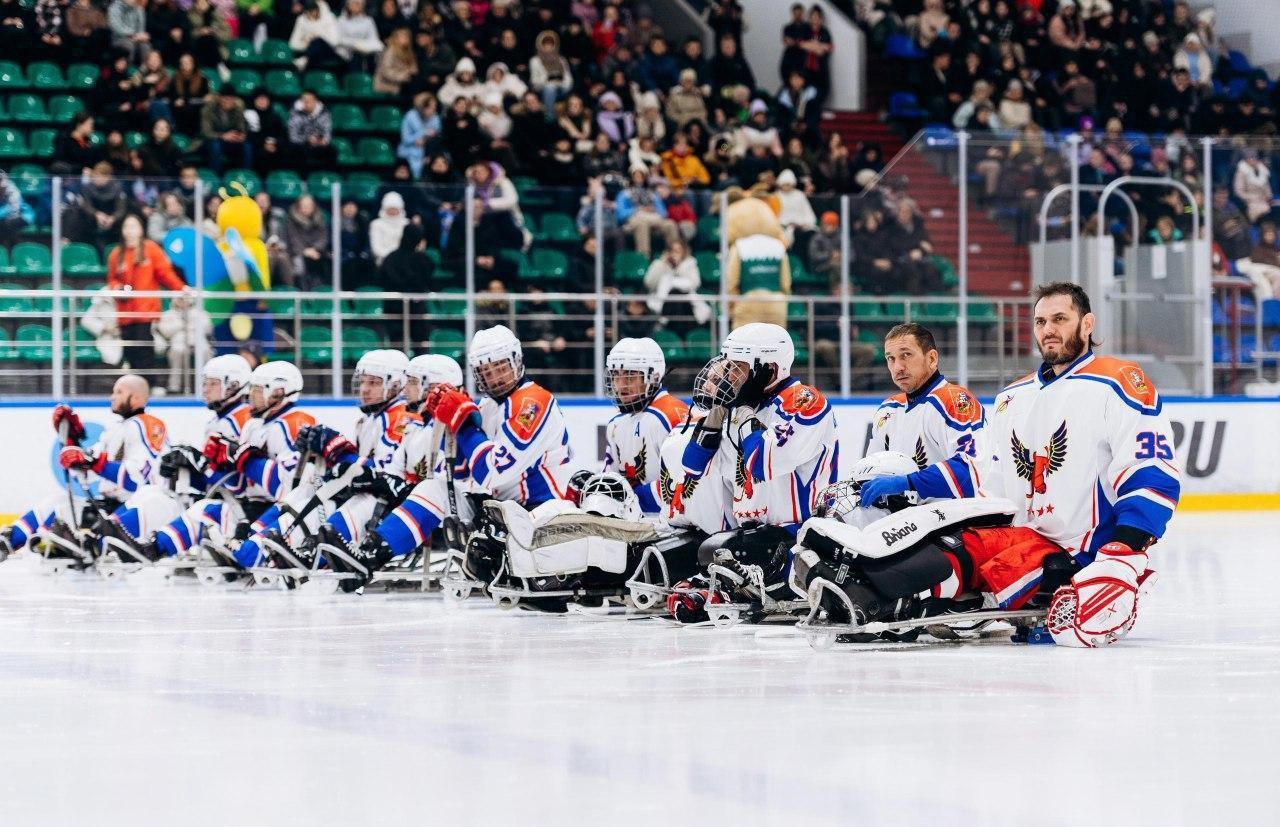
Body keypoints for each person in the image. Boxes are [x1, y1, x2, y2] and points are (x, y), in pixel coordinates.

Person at [855, 283, 1181, 647]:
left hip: (1083, 553)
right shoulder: (1013, 397)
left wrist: (1125, 549)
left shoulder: (1118, 382)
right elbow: (992, 486)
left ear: (1087, 324)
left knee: (1002, 570)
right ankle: (867, 599)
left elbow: (1151, 469)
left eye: (1060, 319)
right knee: (949, 549)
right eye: (1041, 321)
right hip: (1024, 537)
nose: (1049, 329)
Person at [326, 325, 574, 586]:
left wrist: (463, 425)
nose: (495, 378)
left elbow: (492, 474)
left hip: (538, 512)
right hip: (501, 511)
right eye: (486, 372)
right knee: (433, 489)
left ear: (517, 361)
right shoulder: (488, 406)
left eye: (501, 367)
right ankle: (368, 556)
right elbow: (462, 473)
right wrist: (446, 425)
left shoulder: (533, 402)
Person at [661, 323, 838, 617]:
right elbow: (690, 467)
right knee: (685, 567)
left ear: (769, 369)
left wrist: (745, 420)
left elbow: (762, 464)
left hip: (795, 538)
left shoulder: (804, 402)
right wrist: (713, 420)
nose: (729, 377)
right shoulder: (738, 405)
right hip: (748, 537)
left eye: (738, 368)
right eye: (728, 367)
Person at [233, 350, 412, 572]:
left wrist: (337, 450)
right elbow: (357, 469)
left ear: (396, 385)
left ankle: (292, 550)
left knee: (330, 498)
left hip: (390, 502)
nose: (364, 389)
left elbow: (384, 476)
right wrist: (329, 454)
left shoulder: (400, 418)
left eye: (373, 383)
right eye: (363, 382)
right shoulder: (367, 421)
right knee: (311, 485)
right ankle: (257, 539)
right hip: (369, 494)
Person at [95, 355, 254, 562]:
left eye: (212, 384)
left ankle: (124, 542)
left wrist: (200, 465)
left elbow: (241, 481)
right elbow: (216, 478)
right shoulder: (219, 421)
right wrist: (187, 464)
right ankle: (111, 533)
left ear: (234, 385)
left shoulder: (244, 421)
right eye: (204, 383)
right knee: (152, 491)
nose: (205, 389)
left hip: (243, 509)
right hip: (227, 501)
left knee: (164, 501)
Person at [1, 376, 170, 562]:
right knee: (58, 502)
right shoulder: (115, 430)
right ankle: (8, 541)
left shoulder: (148, 425)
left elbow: (138, 479)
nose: (112, 397)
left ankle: (89, 546)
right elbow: (84, 474)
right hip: (110, 506)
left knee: (99, 524)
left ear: (137, 398)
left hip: (135, 507)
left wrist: (93, 462)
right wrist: (72, 440)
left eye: (119, 392)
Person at [175, 360, 317, 565]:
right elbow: (240, 485)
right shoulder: (253, 425)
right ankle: (154, 547)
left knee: (247, 555)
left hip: (285, 510)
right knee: (202, 510)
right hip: (252, 505)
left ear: (278, 392)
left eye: (258, 390)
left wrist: (243, 458)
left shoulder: (293, 423)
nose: (251, 396)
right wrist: (208, 466)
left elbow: (290, 486)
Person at [861, 323, 985, 508]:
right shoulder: (888, 410)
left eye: (906, 355)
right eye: (891, 358)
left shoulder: (955, 401)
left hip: (951, 523)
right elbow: (870, 470)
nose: (898, 367)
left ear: (932, 358)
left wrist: (908, 483)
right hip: (902, 522)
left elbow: (972, 469)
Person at [601, 338, 689, 515]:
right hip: (636, 520)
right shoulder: (617, 423)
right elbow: (612, 476)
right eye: (616, 375)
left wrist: (630, 499)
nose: (621, 384)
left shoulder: (671, 415)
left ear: (654, 377)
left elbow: (685, 482)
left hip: (672, 524)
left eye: (630, 375)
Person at [107, 214, 187, 384]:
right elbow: (112, 279)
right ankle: (134, 385)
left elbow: (165, 274)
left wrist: (181, 288)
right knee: (130, 350)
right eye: (127, 227)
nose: (130, 231)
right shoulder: (116, 254)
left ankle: (150, 384)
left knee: (145, 348)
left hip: (145, 311)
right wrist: (117, 288)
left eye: (133, 226)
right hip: (125, 313)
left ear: (141, 230)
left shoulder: (151, 249)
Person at [724, 227, 791, 330]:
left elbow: (731, 281)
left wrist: (731, 306)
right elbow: (785, 282)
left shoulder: (739, 246)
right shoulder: (778, 246)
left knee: (744, 342)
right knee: (775, 342)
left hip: (748, 303)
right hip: (776, 303)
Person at [643, 238, 711, 325]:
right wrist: (662, 265)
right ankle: (659, 308)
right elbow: (648, 283)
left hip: (685, 302)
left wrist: (679, 266)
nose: (675, 253)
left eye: (678, 251)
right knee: (666, 279)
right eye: (673, 250)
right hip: (665, 302)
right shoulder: (659, 264)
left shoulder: (690, 262)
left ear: (684, 252)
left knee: (670, 280)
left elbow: (695, 283)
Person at [284, 194, 329, 289]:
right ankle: (303, 292)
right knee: (299, 262)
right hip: (296, 252)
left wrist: (315, 249)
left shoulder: (320, 219)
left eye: (309, 206)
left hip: (316, 252)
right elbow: (293, 240)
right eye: (303, 206)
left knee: (326, 260)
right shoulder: (291, 221)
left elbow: (323, 238)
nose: (306, 208)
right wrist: (304, 251)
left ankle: (320, 291)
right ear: (298, 207)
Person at [201, 89, 251, 173]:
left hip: (229, 140)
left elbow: (242, 128)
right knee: (215, 146)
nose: (227, 101)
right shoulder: (208, 110)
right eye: (225, 98)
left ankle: (246, 175)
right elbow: (206, 133)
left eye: (231, 99)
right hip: (211, 140)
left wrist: (241, 135)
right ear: (219, 98)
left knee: (247, 145)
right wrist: (223, 136)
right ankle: (215, 176)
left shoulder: (238, 109)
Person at [287, 89, 336, 171]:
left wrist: (322, 141)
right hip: (301, 144)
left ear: (315, 101)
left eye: (308, 101)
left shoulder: (325, 113)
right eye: (303, 100)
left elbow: (327, 133)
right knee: (295, 151)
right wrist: (307, 139)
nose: (305, 103)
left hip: (319, 145)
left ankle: (327, 177)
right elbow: (293, 136)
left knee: (332, 151)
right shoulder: (295, 113)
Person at [369, 191, 408, 265]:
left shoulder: (406, 224)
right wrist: (392, 258)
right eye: (390, 208)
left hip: (404, 262)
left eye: (395, 208)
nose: (393, 211)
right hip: (383, 261)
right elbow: (376, 248)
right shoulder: (376, 224)